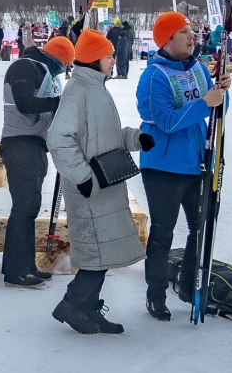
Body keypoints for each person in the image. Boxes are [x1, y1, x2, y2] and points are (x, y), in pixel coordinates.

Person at [47, 29, 149, 334]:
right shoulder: (78, 91)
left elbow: (105, 136)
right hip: (90, 189)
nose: (114, 59)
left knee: (102, 253)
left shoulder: (96, 88)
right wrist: (82, 177)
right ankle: (71, 305)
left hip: (105, 185)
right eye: (109, 55)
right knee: (96, 254)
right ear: (94, 59)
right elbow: (58, 139)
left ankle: (89, 307)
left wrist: (135, 138)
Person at [136, 11, 230, 321]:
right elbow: (164, 120)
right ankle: (155, 294)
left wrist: (220, 94)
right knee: (163, 232)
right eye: (183, 32)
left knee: (201, 229)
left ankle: (191, 287)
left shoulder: (200, 69)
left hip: (196, 162)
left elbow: (216, 112)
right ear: (167, 39)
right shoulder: (154, 76)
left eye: (191, 30)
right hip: (163, 166)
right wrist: (205, 102)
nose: (192, 36)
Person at [0, 36, 75, 288]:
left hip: (34, 144)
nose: (65, 69)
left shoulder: (46, 74)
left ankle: (25, 265)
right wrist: (59, 102)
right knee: (24, 207)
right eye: (65, 64)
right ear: (56, 58)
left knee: (29, 208)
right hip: (19, 143)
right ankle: (15, 271)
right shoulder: (25, 66)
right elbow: (25, 103)